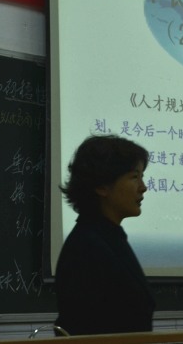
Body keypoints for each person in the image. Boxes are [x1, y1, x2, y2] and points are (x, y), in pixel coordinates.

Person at [54, 135, 155, 336]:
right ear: (102, 186)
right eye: (134, 177)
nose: (143, 187)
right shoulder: (86, 247)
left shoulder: (109, 237)